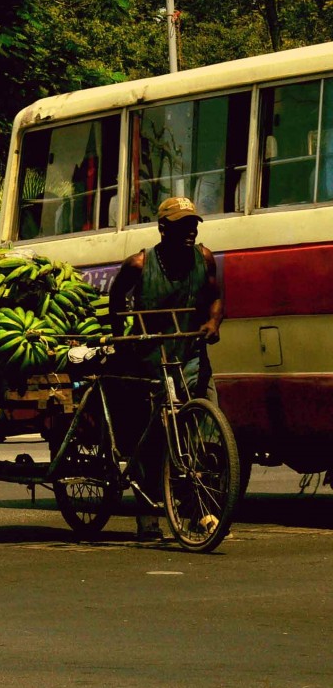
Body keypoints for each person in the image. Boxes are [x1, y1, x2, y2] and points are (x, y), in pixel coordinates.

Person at [107, 196, 224, 540]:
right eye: (181, 226)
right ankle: (147, 513)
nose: (190, 232)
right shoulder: (139, 265)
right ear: (162, 229)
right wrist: (121, 341)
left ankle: (200, 511)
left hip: (190, 355)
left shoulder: (204, 258)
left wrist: (214, 322)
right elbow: (116, 301)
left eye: (193, 225)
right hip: (151, 361)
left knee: (206, 436)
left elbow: (215, 297)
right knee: (155, 437)